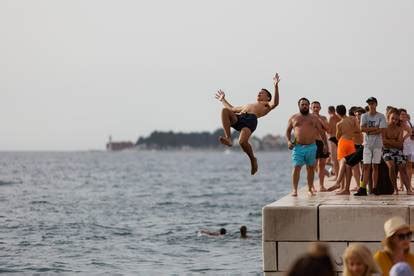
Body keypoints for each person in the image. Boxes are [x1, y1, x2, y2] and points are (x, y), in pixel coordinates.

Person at [215, 73, 280, 175]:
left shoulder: (266, 105)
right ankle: (228, 138)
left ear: (268, 98)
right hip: (240, 117)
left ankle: (253, 160)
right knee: (225, 111)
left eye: (262, 93)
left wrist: (275, 86)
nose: (259, 93)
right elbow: (232, 108)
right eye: (259, 92)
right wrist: (223, 99)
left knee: (242, 142)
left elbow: (275, 103)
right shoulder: (247, 105)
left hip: (250, 120)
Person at [286, 98, 328, 196]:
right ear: (299, 106)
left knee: (310, 168)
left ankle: (310, 188)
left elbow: (322, 132)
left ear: (308, 106)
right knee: (296, 166)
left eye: (306, 104)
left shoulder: (314, 118)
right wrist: (288, 141)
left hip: (311, 146)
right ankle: (295, 190)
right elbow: (288, 131)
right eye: (302, 104)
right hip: (298, 147)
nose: (304, 106)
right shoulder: (294, 118)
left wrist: (325, 145)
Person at [354, 97, 387, 196]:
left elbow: (381, 130)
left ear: (376, 104)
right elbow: (362, 129)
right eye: (369, 104)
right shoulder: (364, 115)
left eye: (372, 103)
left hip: (377, 144)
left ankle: (375, 188)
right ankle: (363, 188)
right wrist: (374, 128)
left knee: (375, 166)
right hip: (367, 144)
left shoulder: (381, 116)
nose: (371, 105)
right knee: (366, 166)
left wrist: (369, 129)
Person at [327, 105, 361, 195]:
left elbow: (338, 136)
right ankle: (347, 188)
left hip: (342, 143)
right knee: (350, 165)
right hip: (351, 143)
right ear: (345, 111)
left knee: (342, 164)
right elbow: (358, 129)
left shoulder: (339, 124)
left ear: (337, 113)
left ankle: (342, 187)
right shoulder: (353, 119)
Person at [382, 109, 414, 195]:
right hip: (386, 150)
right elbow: (383, 142)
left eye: (396, 119)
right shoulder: (384, 128)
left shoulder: (399, 129)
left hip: (397, 150)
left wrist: (390, 141)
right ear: (388, 117)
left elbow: (399, 144)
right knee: (391, 166)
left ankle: (408, 189)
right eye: (392, 118)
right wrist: (394, 142)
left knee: (402, 167)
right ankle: (395, 188)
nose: (394, 121)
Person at [311, 101, 330, 191]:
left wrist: (319, 119)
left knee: (322, 165)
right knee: (312, 166)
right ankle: (311, 186)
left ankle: (321, 186)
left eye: (317, 107)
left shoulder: (323, 118)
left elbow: (328, 129)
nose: (316, 109)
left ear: (320, 108)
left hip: (322, 142)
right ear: (311, 108)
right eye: (314, 107)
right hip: (312, 142)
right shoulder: (308, 118)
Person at [327, 105, 341, 180]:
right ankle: (339, 175)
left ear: (329, 111)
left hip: (332, 138)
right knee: (339, 158)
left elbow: (329, 130)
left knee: (334, 159)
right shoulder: (339, 117)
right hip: (339, 138)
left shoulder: (330, 118)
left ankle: (337, 176)